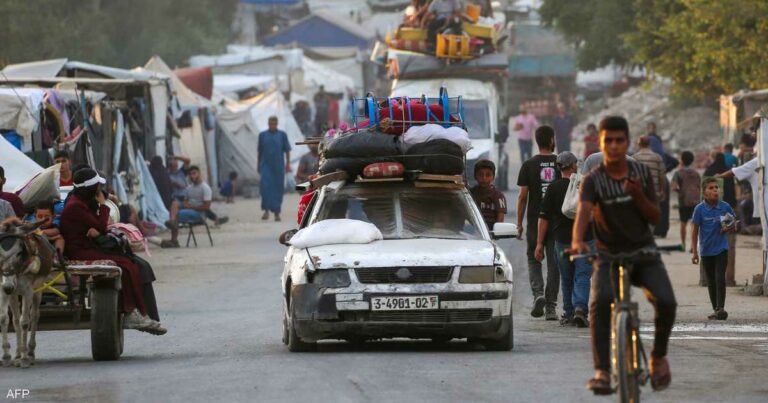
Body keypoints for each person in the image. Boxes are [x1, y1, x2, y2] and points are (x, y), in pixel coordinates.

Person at [572, 116, 676, 394]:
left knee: (666, 301)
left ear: (627, 142)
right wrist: (577, 241)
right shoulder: (593, 180)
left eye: (619, 141)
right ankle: (602, 371)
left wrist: (638, 195)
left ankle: (658, 357)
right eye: (609, 141)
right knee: (600, 302)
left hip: (643, 251)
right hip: (607, 254)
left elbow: (655, 216)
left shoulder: (640, 173)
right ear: (601, 142)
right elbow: (583, 212)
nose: (614, 146)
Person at [59, 168, 165, 334]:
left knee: (135, 263)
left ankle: (142, 313)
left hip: (89, 246)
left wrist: (102, 207)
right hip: (80, 251)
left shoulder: (81, 200)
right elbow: (101, 226)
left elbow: (98, 227)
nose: (99, 190)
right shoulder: (75, 206)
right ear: (90, 188)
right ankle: (130, 312)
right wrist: (103, 205)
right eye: (97, 187)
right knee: (126, 266)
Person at [535, 151, 593, 327]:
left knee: (567, 277)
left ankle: (568, 313)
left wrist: (539, 243)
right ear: (574, 166)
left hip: (562, 241)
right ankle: (580, 309)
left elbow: (543, 218)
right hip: (585, 239)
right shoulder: (584, 185)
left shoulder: (553, 188)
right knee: (582, 275)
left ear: (558, 167)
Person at [517, 125, 561, 320]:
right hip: (557, 222)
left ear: (536, 140)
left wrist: (519, 224)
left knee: (533, 259)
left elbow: (522, 197)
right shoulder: (560, 163)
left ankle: (538, 295)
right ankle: (550, 307)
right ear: (551, 140)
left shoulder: (528, 165)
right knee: (554, 263)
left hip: (535, 221)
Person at [691, 178, 737, 321]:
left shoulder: (725, 207)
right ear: (704, 193)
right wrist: (694, 252)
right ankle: (716, 309)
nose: (715, 190)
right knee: (710, 281)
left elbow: (733, 224)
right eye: (711, 188)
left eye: (716, 187)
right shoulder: (699, 209)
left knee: (719, 278)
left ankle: (721, 307)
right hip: (706, 250)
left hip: (721, 248)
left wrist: (728, 228)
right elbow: (694, 231)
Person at [258, 116, 292, 222]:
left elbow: (287, 150)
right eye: (270, 124)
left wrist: (288, 164)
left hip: (278, 166)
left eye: (274, 124)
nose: (272, 126)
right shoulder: (262, 135)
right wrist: (258, 164)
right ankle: (266, 211)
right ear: (268, 124)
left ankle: (277, 213)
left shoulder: (282, 135)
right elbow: (260, 151)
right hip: (266, 166)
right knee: (265, 188)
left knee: (278, 189)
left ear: (277, 124)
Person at [671, 151, 701, 251]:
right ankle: (693, 246)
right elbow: (700, 186)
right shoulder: (696, 173)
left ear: (682, 160)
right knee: (694, 224)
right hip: (695, 201)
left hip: (683, 201)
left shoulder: (678, 173)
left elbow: (674, 187)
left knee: (683, 223)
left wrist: (680, 191)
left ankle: (683, 245)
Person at [470, 160, 507, 230]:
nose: (484, 178)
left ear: (493, 177)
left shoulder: (498, 196)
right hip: (472, 231)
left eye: (488, 175)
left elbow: (500, 220)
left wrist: (496, 232)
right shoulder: (470, 194)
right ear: (475, 176)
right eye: (480, 175)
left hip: (490, 232)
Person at [633, 136, 667, 206]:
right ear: (649, 144)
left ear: (639, 144)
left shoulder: (634, 158)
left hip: (639, 193)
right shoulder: (657, 157)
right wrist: (662, 191)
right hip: (654, 193)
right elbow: (662, 176)